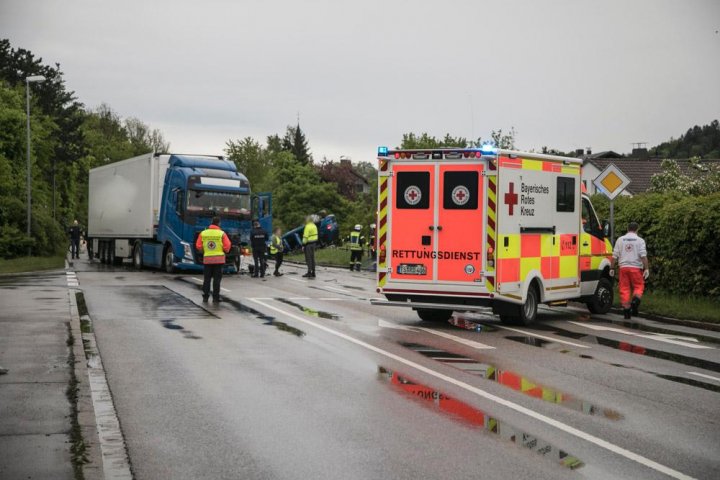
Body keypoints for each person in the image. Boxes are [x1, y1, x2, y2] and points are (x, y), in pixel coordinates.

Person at [611, 221, 649, 319]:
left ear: (627, 229)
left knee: (624, 289)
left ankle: (626, 311)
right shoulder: (640, 240)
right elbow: (643, 256)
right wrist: (646, 268)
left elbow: (614, 255)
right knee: (638, 286)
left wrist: (611, 268)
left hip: (623, 268)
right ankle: (635, 301)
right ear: (637, 230)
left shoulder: (620, 240)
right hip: (636, 268)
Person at [195, 216, 231, 303]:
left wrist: (204, 251)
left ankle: (205, 297)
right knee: (217, 280)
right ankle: (215, 298)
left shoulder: (203, 233)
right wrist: (224, 250)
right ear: (219, 223)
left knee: (207, 279)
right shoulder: (222, 234)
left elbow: (198, 246)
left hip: (207, 260)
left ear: (211, 223)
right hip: (219, 260)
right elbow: (227, 246)